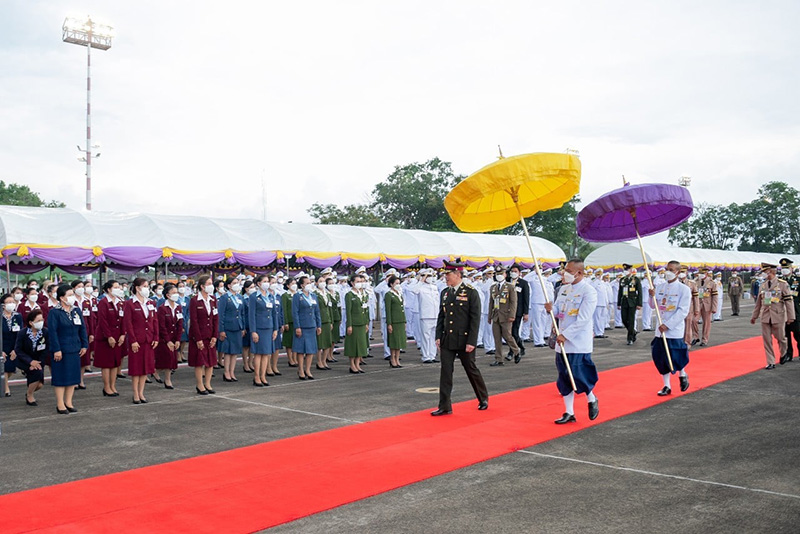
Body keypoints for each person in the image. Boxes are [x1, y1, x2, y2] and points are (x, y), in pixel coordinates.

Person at [545, 259, 599, 424]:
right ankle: (569, 412)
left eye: (568, 270)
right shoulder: (563, 289)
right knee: (564, 377)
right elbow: (559, 311)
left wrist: (566, 335)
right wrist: (550, 309)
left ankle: (591, 398)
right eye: (564, 270)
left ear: (579, 273)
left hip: (577, 343)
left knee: (578, 375)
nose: (564, 273)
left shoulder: (588, 291)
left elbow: (583, 318)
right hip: (562, 343)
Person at [431, 261, 488, 416]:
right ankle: (445, 406)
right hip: (448, 339)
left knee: (471, 369)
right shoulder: (445, 292)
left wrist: (472, 341)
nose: (445, 278)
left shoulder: (470, 292)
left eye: (448, 274)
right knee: (446, 372)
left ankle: (483, 398)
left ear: (457, 274)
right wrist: (438, 336)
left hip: (464, 340)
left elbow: (475, 319)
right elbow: (441, 316)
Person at [648, 260, 692, 396]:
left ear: (678, 272)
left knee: (677, 356)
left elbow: (683, 311)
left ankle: (682, 374)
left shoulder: (684, 289)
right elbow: (652, 305)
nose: (668, 272)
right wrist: (651, 296)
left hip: (673, 329)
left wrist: (668, 325)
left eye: (671, 270)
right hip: (660, 331)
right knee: (661, 358)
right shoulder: (660, 287)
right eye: (667, 269)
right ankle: (666, 385)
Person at [47, 284, 89, 414]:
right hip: (61, 349)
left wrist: (84, 344)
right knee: (61, 378)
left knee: (72, 377)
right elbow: (52, 332)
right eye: (69, 295)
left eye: (72, 294)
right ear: (61, 298)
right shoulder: (55, 312)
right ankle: (60, 404)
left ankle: (69, 402)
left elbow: (82, 328)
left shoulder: (76, 310)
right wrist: (56, 349)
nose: (72, 297)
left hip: (74, 348)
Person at [751, 262, 795, 370]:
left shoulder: (782, 284)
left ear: (770, 271)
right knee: (766, 340)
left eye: (765, 272)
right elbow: (758, 303)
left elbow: (789, 301)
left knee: (781, 338)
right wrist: (754, 316)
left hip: (778, 315)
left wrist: (791, 316)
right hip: (765, 315)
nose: (763, 274)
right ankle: (770, 361)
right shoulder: (763, 285)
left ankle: (783, 352)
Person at [123, 278, 159, 404]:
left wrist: (156, 337)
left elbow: (154, 321)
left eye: (148, 286)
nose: (147, 289)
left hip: (148, 340)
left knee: (145, 368)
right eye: (144, 286)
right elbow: (128, 323)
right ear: (137, 288)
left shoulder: (151, 303)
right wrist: (132, 340)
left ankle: (142, 392)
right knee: (136, 368)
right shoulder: (130, 303)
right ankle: (135, 394)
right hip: (137, 340)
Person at [94, 280, 126, 397]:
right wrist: (109, 336)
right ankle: (106, 387)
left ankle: (113, 385)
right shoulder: (103, 302)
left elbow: (123, 320)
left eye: (119, 287)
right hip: (105, 338)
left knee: (115, 363)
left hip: (118, 337)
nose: (119, 289)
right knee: (106, 363)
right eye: (116, 287)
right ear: (108, 289)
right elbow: (102, 321)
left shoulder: (121, 303)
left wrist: (123, 334)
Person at [189, 275, 219, 394]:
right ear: (202, 286)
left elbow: (215, 318)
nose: (211, 286)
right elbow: (194, 320)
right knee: (199, 362)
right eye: (208, 284)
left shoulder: (213, 299)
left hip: (210, 334)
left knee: (210, 361)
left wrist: (214, 336)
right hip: (199, 336)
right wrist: (198, 338)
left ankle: (208, 383)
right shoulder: (195, 300)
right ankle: (200, 385)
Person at [249, 274, 280, 386]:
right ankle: (257, 376)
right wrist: (253, 331)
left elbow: (274, 314)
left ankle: (263, 376)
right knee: (258, 353)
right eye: (265, 281)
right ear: (259, 283)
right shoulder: (254, 297)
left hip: (269, 328)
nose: (267, 283)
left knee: (266, 353)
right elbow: (251, 315)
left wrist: (275, 329)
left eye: (268, 281)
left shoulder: (271, 296)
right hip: (259, 328)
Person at [14, 309, 48, 406]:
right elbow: (18, 350)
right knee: (36, 373)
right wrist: (30, 362)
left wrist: (38, 362)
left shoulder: (45, 332)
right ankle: (29, 395)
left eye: (42, 320)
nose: (41, 323)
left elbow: (46, 349)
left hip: (38, 361)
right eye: (38, 321)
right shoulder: (22, 333)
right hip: (24, 360)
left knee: (40, 384)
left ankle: (29, 391)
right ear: (31, 322)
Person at [292, 275, 322, 380]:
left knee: (310, 349)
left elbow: (317, 311)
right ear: (301, 285)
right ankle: (300, 369)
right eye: (307, 283)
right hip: (302, 326)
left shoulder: (313, 296)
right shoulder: (297, 296)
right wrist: (297, 327)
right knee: (301, 350)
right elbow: (295, 313)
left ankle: (308, 369)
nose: (309, 285)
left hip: (311, 325)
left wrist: (319, 325)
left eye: (310, 283)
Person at [489, 266, 519, 366]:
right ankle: (499, 359)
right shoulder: (493, 287)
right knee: (497, 338)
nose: (499, 276)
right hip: (496, 315)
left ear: (505, 275)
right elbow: (491, 303)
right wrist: (490, 316)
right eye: (497, 274)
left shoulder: (510, 287)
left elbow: (513, 302)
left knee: (507, 336)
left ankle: (516, 351)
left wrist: (512, 315)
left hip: (506, 315)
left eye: (501, 274)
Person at [155, 283, 183, 389]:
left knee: (171, 360)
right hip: (164, 339)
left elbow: (180, 324)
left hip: (174, 337)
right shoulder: (162, 308)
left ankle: (163, 377)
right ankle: (163, 377)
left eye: (176, 292)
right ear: (167, 295)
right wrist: (168, 340)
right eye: (174, 293)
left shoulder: (178, 307)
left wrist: (178, 339)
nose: (176, 294)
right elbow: (161, 326)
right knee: (166, 360)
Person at [217, 278, 245, 383]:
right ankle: (226, 372)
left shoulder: (239, 297)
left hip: (237, 327)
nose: (237, 285)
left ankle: (232, 371)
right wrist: (221, 330)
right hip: (228, 327)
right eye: (234, 283)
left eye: (237, 283)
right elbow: (221, 314)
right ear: (228, 285)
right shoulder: (224, 298)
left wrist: (242, 327)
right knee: (228, 351)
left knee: (235, 352)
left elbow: (242, 313)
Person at [72, 279, 95, 389]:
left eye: (82, 286)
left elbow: (90, 318)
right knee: (75, 357)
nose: (81, 288)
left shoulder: (86, 301)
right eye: (78, 286)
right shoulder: (71, 301)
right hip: (74, 333)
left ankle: (81, 380)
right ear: (73, 288)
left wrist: (91, 333)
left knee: (84, 358)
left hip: (85, 332)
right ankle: (74, 380)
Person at [345, 274, 370, 374]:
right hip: (354, 323)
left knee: (360, 345)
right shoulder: (349, 295)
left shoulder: (363, 294)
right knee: (353, 345)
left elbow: (366, 309)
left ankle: (357, 364)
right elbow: (348, 311)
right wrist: (349, 325)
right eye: (357, 281)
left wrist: (366, 323)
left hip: (362, 323)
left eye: (361, 281)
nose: (360, 283)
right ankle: (352, 365)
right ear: (352, 283)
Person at [413, 268, 440, 363]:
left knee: (434, 337)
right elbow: (414, 291)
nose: (429, 278)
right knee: (425, 337)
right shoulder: (420, 287)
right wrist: (421, 280)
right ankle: (426, 356)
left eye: (430, 276)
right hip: (425, 315)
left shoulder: (434, 287)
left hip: (435, 315)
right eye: (427, 276)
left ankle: (432, 355)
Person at [524, 266, 554, 348]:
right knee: (537, 322)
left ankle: (541, 339)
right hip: (536, 302)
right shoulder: (533, 278)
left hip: (544, 302)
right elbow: (525, 279)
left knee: (543, 322)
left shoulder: (544, 279)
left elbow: (549, 290)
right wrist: (534, 272)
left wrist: (550, 301)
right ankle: (537, 341)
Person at [2, 293, 24, 397]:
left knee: (11, 369)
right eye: (8, 302)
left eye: (13, 302)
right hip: (2, 345)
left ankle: (4, 383)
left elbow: (21, 333)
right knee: (5, 368)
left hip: (14, 346)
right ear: (3, 305)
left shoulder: (17, 316)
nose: (11, 304)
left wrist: (16, 349)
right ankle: (6, 388)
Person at [779, 258, 800, 364]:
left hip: (796, 310)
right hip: (783, 311)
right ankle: (788, 354)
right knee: (785, 335)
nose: (785, 270)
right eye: (783, 268)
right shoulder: (779, 282)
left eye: (787, 268)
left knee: (797, 333)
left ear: (791, 269)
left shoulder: (797, 280)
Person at [507, 264, 530, 360]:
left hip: (518, 311)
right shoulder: (507, 282)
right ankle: (521, 345)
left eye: (515, 271)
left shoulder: (523, 283)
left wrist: (526, 313)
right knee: (508, 332)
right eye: (512, 271)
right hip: (507, 311)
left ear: (519, 273)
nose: (513, 273)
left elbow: (526, 299)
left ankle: (512, 351)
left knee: (514, 332)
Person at [384, 275, 406, 368]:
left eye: (399, 283)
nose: (398, 285)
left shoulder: (399, 293)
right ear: (391, 284)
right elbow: (388, 310)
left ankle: (397, 359)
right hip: (394, 321)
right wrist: (389, 323)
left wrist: (404, 321)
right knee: (394, 342)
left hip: (400, 320)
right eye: (396, 283)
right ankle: (392, 358)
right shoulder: (388, 294)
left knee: (399, 342)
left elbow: (402, 308)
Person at [617, 264, 642, 345]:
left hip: (632, 302)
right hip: (624, 301)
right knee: (624, 319)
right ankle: (633, 332)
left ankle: (630, 338)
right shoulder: (622, 280)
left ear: (631, 270)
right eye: (625, 269)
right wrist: (618, 303)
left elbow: (640, 292)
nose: (626, 271)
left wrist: (639, 303)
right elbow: (620, 292)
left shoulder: (636, 279)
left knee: (631, 320)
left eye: (627, 269)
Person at [694, 267, 718, 346]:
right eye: (700, 273)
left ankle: (704, 340)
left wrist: (714, 307)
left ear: (706, 273)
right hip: (697, 304)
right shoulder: (695, 282)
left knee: (706, 323)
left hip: (707, 304)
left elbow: (715, 296)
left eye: (703, 273)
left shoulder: (711, 283)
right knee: (694, 320)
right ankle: (695, 337)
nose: (701, 275)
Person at [314, 275, 334, 370]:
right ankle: (319, 361)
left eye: (324, 281)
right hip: (320, 321)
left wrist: (331, 321)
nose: (323, 283)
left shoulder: (327, 294)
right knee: (320, 343)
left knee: (327, 342)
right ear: (316, 283)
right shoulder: (315, 294)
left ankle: (324, 360)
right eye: (320, 281)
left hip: (327, 320)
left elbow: (330, 309)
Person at [281, 278, 299, 367]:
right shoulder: (285, 295)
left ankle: (295, 358)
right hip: (290, 321)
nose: (294, 285)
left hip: (297, 321)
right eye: (292, 283)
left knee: (296, 341)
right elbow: (284, 309)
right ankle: (290, 359)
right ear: (288, 285)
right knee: (289, 342)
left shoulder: (298, 294)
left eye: (295, 283)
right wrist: (286, 322)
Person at [480, 267, 496, 355]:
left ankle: (493, 346)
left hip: (495, 308)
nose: (491, 276)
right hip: (487, 309)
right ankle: (488, 347)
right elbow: (484, 290)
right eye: (489, 274)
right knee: (488, 330)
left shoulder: (495, 283)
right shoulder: (484, 283)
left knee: (494, 329)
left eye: (492, 274)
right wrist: (489, 281)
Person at [241, 279, 255, 373]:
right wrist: (243, 327)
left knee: (252, 346)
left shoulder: (254, 298)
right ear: (246, 289)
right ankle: (245, 364)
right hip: (246, 324)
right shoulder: (243, 299)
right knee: (245, 346)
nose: (253, 289)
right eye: (251, 287)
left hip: (253, 324)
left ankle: (251, 363)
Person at [591, 268, 609, 338]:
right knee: (597, 318)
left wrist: (607, 302)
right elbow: (592, 288)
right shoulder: (593, 282)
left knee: (602, 318)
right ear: (595, 275)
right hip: (597, 303)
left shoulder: (602, 283)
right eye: (598, 274)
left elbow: (605, 294)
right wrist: (596, 280)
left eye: (600, 274)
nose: (599, 276)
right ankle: (597, 332)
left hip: (603, 303)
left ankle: (601, 332)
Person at [327, 276, 342, 361]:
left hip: (336, 317)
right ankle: (327, 355)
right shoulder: (326, 294)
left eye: (332, 283)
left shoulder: (336, 294)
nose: (331, 285)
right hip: (330, 318)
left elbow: (339, 306)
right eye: (329, 283)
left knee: (334, 338)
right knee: (330, 338)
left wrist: (340, 317)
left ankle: (331, 354)